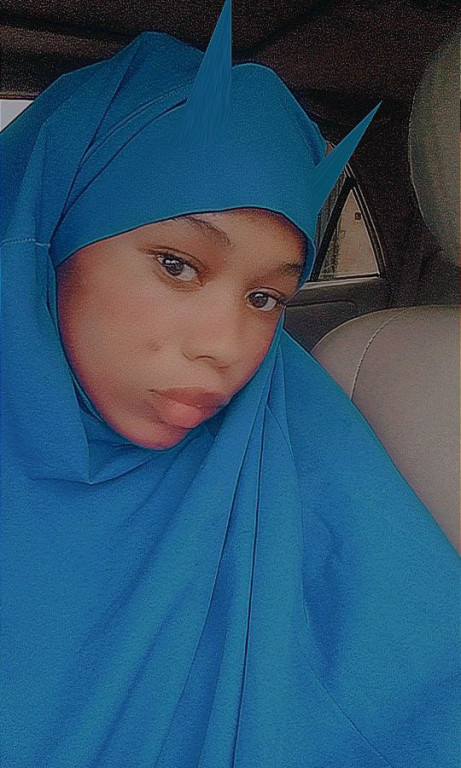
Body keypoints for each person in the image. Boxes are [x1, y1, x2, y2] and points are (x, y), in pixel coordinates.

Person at [1, 3, 459, 766]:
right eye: (177, 265)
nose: (226, 346)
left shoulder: (301, 443)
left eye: (265, 298)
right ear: (54, 240)